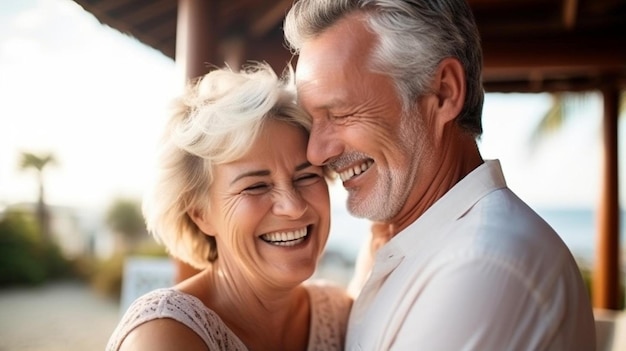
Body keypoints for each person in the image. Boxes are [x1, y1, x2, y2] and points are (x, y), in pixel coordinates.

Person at [283, 1, 596, 350]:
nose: (316, 152)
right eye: (313, 121)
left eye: (340, 113)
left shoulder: (479, 264)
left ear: (444, 93)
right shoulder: (426, 245)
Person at [105, 62, 352, 351]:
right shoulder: (162, 337)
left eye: (307, 176)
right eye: (256, 186)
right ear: (200, 214)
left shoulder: (337, 312)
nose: (293, 207)